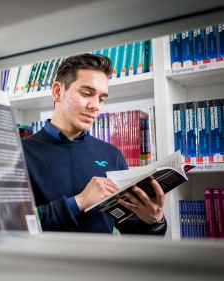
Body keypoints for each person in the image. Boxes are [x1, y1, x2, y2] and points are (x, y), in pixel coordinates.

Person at [21, 53, 166, 235]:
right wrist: (79, 202)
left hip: (103, 263)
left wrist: (155, 221)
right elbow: (13, 223)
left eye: (102, 98)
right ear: (58, 91)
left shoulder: (111, 155)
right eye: (86, 93)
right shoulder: (19, 153)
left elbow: (133, 232)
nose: (95, 106)